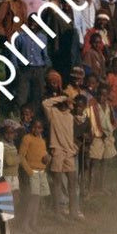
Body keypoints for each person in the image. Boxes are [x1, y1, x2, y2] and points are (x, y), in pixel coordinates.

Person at [41, 73, 83, 220]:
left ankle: (73, 211)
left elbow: (82, 117)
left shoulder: (71, 116)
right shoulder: (52, 113)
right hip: (57, 150)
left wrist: (70, 102)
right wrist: (63, 97)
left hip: (69, 152)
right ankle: (58, 212)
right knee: (57, 184)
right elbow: (45, 103)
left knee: (72, 183)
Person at [18, 117, 49, 234]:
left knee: (38, 200)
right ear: (31, 127)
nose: (37, 129)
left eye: (39, 128)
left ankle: (33, 223)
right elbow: (21, 156)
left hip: (42, 172)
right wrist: (29, 171)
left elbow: (43, 155)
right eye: (35, 127)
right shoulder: (27, 138)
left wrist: (47, 160)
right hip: (33, 172)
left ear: (42, 129)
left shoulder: (42, 140)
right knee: (32, 199)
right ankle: (25, 224)